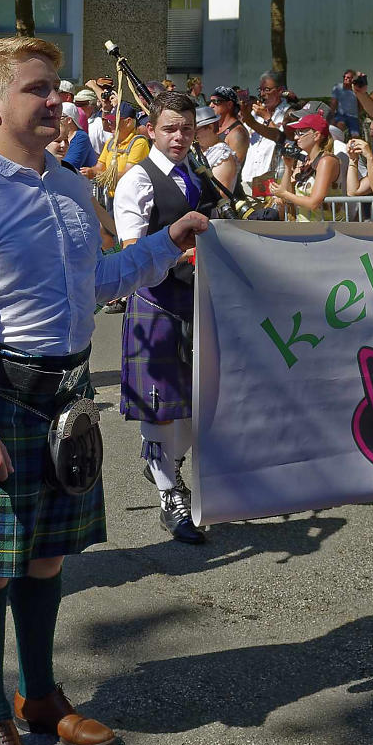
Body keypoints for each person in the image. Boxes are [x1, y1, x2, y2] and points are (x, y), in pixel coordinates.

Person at [0, 36, 207, 745]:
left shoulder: (74, 189)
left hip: (63, 403)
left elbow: (100, 280)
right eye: (39, 90)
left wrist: (166, 245)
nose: (56, 102)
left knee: (45, 559)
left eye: (55, 90)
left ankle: (39, 698)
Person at [111, 90, 221, 545]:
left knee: (196, 405)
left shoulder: (197, 175)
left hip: (196, 301)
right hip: (155, 301)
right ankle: (169, 494)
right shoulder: (136, 180)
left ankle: (166, 467)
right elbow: (132, 250)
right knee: (160, 405)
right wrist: (182, 257)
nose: (179, 136)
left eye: (186, 128)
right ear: (150, 130)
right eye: (170, 128)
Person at [264, 112, 339, 217]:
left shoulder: (326, 161)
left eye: (301, 132)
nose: (295, 137)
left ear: (316, 135)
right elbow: (285, 197)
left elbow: (314, 203)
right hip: (307, 226)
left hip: (328, 228)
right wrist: (288, 167)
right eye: (296, 132)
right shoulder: (305, 161)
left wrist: (284, 194)